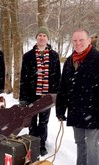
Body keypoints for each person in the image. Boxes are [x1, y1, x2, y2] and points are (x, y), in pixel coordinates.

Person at [55, 28, 99, 165]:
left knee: (91, 144)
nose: (78, 43)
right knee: (80, 142)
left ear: (89, 41)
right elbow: (63, 87)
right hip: (76, 110)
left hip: (94, 111)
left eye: (81, 40)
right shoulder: (69, 61)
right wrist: (60, 109)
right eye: (75, 40)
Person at [19, 26, 61, 156]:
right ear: (36, 38)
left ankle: (41, 144)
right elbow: (24, 78)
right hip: (32, 95)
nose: (42, 38)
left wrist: (56, 94)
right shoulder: (28, 56)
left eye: (44, 36)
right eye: (40, 35)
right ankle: (32, 143)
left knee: (44, 121)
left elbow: (57, 76)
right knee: (32, 120)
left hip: (47, 96)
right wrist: (23, 98)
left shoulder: (54, 55)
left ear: (47, 38)